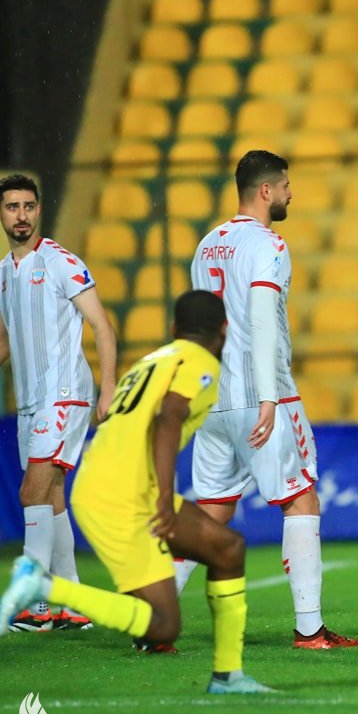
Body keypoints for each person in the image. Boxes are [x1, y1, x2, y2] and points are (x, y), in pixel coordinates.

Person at [0, 290, 272, 693]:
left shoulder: (153, 360)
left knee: (227, 548)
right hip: (124, 496)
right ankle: (45, 587)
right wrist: (165, 495)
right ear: (225, 330)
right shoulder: (200, 363)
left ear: (174, 328)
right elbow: (169, 418)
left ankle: (228, 676)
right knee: (162, 626)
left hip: (110, 484)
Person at [179, 149, 358, 650]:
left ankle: (150, 623)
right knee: (300, 497)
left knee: (210, 510)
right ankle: (310, 630)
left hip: (212, 396)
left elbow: (199, 325)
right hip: (263, 396)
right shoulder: (269, 245)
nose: (289, 193)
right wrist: (267, 397)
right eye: (284, 185)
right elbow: (261, 319)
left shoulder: (206, 245)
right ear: (266, 191)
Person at [0, 173, 117, 632]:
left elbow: (103, 327)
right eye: (13, 207)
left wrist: (107, 389)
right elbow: (7, 343)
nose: (21, 215)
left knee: (31, 491)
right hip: (31, 401)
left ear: (39, 210)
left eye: (29, 206)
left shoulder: (62, 262)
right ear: (3, 214)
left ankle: (37, 605)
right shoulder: (5, 273)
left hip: (65, 395)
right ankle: (72, 601)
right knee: (49, 499)